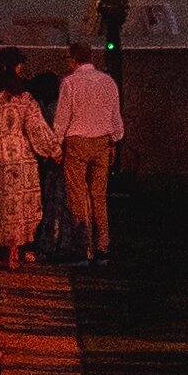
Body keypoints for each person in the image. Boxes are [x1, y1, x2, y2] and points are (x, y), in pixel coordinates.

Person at [51, 47, 123, 258]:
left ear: (74, 60)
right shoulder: (108, 81)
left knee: (78, 196)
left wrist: (56, 145)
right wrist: (114, 140)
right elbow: (115, 116)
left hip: (77, 141)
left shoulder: (69, 83)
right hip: (102, 141)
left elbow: (62, 118)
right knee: (99, 196)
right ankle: (103, 244)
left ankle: (84, 247)